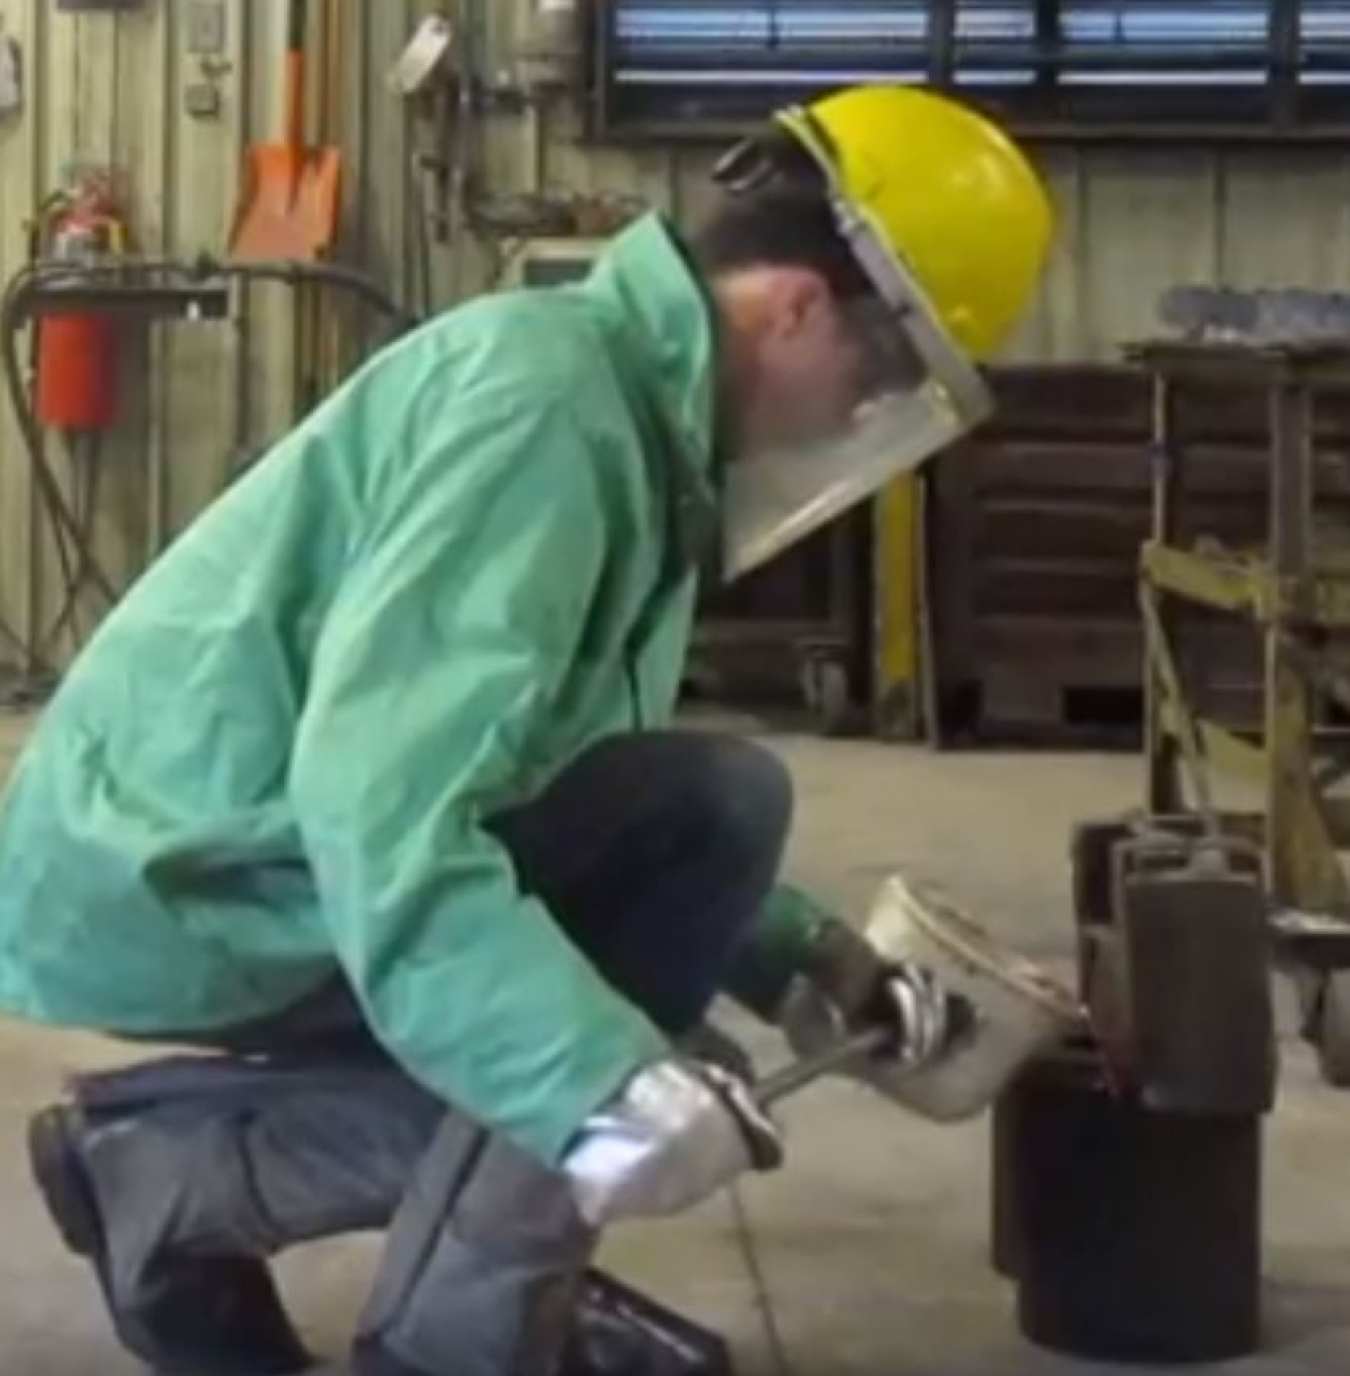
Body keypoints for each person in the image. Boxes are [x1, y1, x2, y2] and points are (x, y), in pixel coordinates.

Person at [0, 85, 1053, 1375]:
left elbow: (536, 782)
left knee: (669, 962)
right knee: (629, 1021)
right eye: (881, 381)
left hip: (248, 855)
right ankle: (417, 1323)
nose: (854, 421)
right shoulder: (550, 413)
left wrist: (809, 961)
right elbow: (383, 812)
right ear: (796, 308)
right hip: (181, 877)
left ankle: (161, 1173)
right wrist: (592, 1082)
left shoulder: (624, 417)